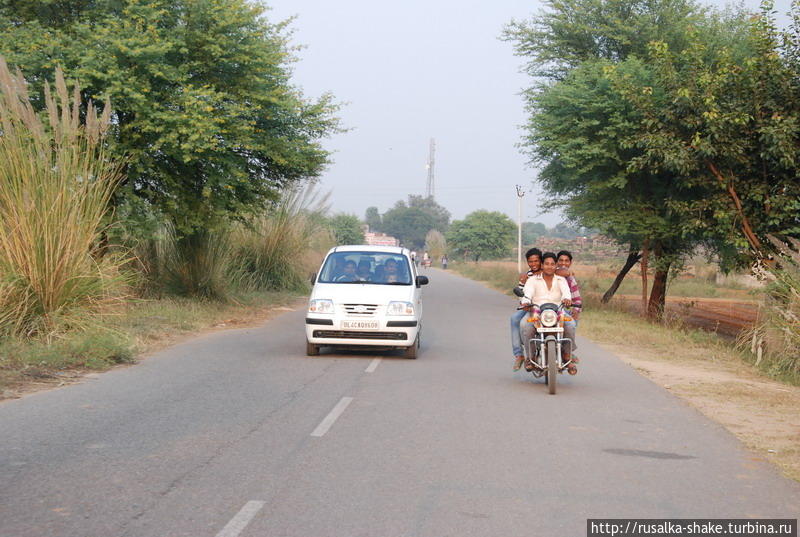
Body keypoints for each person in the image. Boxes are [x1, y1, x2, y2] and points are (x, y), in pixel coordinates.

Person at [519, 252, 578, 374]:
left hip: (558, 312)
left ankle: (567, 354)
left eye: (552, 264)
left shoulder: (561, 280)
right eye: (546, 264)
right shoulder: (533, 280)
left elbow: (567, 293)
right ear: (542, 264)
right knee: (525, 325)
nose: (549, 267)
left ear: (556, 265)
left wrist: (567, 300)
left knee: (571, 325)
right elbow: (527, 294)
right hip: (536, 312)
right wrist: (525, 302)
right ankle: (530, 358)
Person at [511, 248, 542, 371]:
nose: (533, 264)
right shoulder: (526, 276)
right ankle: (519, 355)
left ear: (541, 261)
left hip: (547, 307)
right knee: (515, 319)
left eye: (536, 261)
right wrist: (525, 303)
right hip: (530, 307)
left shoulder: (548, 271)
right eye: (531, 261)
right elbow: (520, 294)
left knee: (567, 320)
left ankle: (566, 352)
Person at [556, 250, 582, 363]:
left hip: (564, 311)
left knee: (571, 324)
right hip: (549, 310)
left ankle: (567, 353)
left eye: (566, 261)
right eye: (561, 260)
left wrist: (576, 310)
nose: (563, 263)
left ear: (570, 263)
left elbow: (577, 299)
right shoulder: (551, 275)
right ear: (556, 262)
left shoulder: (571, 279)